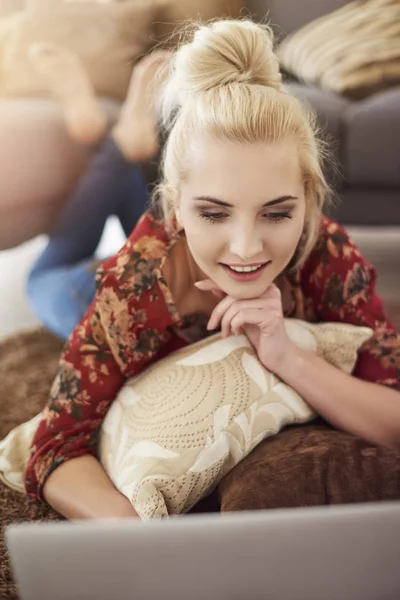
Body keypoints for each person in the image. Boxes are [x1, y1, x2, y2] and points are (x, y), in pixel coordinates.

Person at [24, 19, 400, 520]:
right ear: (177, 209)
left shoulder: (326, 255)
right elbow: (53, 449)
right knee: (46, 275)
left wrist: (286, 355)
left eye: (277, 212)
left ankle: (128, 147)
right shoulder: (133, 289)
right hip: (80, 291)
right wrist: (148, 541)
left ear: (309, 203)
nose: (247, 249)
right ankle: (115, 148)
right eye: (214, 213)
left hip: (184, 225)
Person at [26, 44, 171, 339]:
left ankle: (107, 145)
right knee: (41, 278)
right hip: (159, 271)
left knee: (38, 279)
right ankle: (112, 147)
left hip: (120, 295)